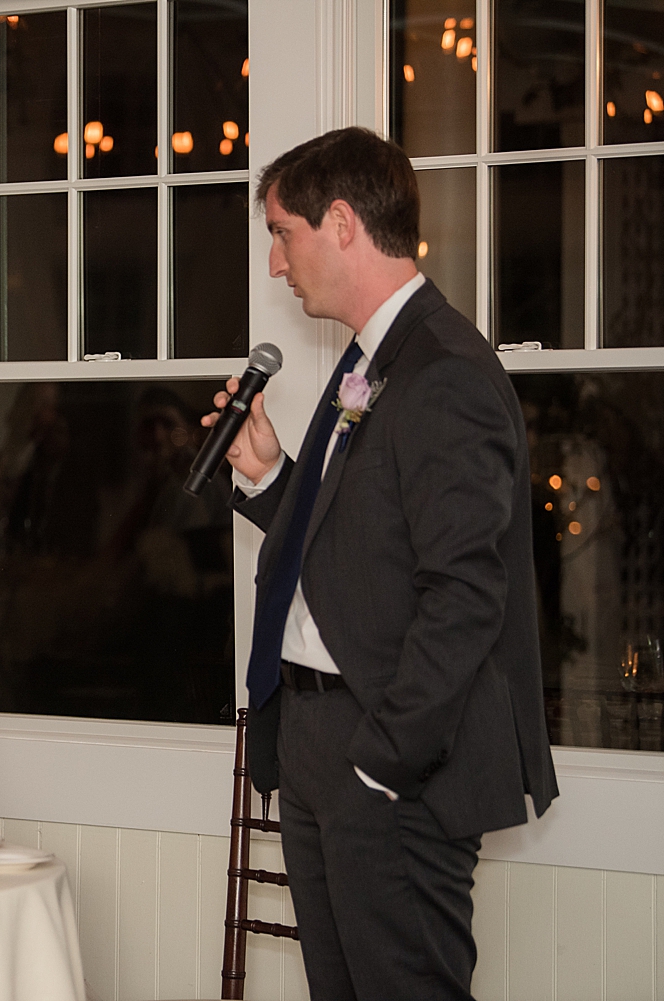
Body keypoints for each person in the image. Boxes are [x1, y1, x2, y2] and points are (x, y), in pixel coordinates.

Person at [202, 127, 558, 1000]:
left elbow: (467, 595)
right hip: (321, 736)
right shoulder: (368, 359)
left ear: (342, 220)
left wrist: (384, 760)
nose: (277, 264)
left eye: (283, 233)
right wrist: (273, 474)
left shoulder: (446, 371)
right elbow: (354, 550)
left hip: (395, 759)